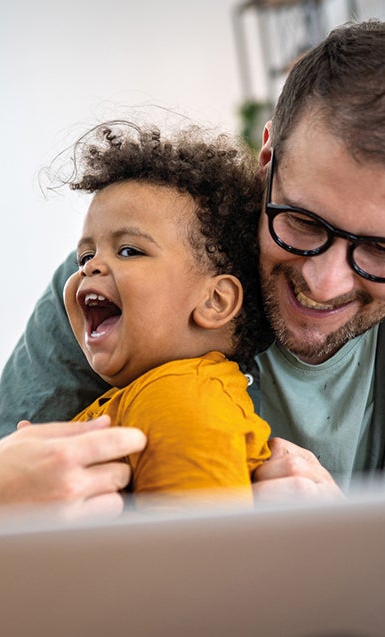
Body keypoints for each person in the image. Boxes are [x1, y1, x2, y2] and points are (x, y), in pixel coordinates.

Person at [0, 20, 385, 523]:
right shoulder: (117, 286)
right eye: (303, 222)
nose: (325, 283)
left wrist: (357, 550)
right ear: (269, 157)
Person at [35, 121, 274, 508]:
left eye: (129, 251)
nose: (89, 268)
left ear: (215, 301)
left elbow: (199, 558)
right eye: (86, 255)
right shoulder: (150, 394)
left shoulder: (182, 400)